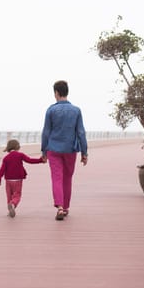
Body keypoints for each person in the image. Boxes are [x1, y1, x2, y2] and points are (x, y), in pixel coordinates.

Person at [41, 80, 88, 221]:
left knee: (57, 178)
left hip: (53, 149)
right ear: (67, 92)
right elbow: (81, 133)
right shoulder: (76, 110)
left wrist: (44, 151)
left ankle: (60, 207)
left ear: (56, 92)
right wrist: (84, 153)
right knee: (67, 179)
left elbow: (46, 133)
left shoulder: (51, 110)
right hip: (70, 150)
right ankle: (66, 208)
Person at [0, 139, 44, 218]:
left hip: (8, 180)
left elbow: (2, 169)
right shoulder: (20, 155)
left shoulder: (6, 158)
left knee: (9, 195)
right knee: (17, 195)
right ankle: (13, 205)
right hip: (18, 180)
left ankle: (10, 208)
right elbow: (30, 160)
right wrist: (40, 160)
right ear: (17, 147)